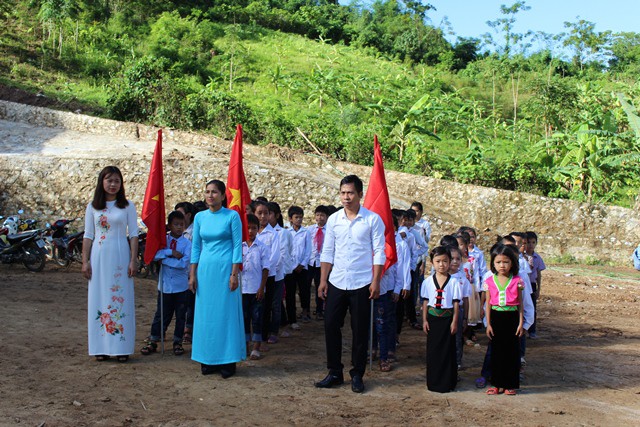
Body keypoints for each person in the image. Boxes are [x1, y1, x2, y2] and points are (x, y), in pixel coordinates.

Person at [315, 175, 386, 394]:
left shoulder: (373, 220)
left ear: (360, 194)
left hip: (362, 282)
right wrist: (323, 280)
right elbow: (327, 251)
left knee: (360, 330)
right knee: (330, 325)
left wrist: (375, 281)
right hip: (337, 281)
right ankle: (335, 371)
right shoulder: (334, 219)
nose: (346, 197)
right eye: (343, 193)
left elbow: (379, 252)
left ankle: (357, 374)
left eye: (351, 193)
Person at [82, 166, 139, 363]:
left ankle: (121, 347)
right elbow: (89, 235)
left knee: (120, 298)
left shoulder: (127, 206)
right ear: (102, 182)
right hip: (98, 258)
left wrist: (133, 259)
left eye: (116, 181)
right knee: (99, 298)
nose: (113, 184)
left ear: (121, 183)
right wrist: (85, 261)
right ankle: (101, 347)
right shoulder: (93, 207)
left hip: (120, 258)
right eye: (109, 180)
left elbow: (133, 235)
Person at [189, 179, 244, 379]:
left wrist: (234, 273)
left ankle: (228, 360)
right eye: (207, 191)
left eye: (214, 192)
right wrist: (192, 274)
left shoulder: (232, 216)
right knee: (206, 316)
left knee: (226, 315)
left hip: (225, 271)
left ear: (222, 195)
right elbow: (196, 247)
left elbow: (238, 246)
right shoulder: (199, 218)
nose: (210, 195)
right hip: (205, 272)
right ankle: (207, 358)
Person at [140, 210, 191, 357]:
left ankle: (177, 341)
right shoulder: (163, 241)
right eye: (176, 224)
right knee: (161, 315)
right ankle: (154, 339)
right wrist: (170, 253)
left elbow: (184, 263)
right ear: (169, 225)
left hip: (181, 286)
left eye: (182, 225)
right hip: (165, 286)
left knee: (181, 315)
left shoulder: (187, 243)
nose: (179, 227)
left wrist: (165, 261)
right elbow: (153, 255)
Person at [484, 243, 525, 396]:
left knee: (512, 352)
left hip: (512, 317)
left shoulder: (517, 281)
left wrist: (521, 323)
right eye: (498, 262)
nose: (502, 265)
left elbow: (520, 304)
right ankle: (496, 384)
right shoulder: (489, 281)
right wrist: (488, 324)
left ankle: (510, 384)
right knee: (496, 351)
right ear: (493, 263)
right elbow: (488, 304)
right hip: (496, 317)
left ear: (512, 263)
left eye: (506, 262)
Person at [421, 246, 461, 393]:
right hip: (433, 319)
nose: (442, 264)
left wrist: (455, 321)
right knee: (433, 351)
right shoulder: (427, 282)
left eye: (445, 261)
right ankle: (433, 382)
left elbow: (456, 303)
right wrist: (424, 320)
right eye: (438, 261)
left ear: (450, 262)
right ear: (432, 262)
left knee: (447, 351)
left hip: (447, 319)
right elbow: (425, 302)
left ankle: (448, 382)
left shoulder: (454, 282)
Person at [241, 214, 269, 360]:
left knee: (257, 318)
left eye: (253, 228)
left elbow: (266, 268)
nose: (250, 231)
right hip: (242, 289)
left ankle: (256, 346)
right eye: (248, 228)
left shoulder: (262, 247)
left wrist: (261, 287)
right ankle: (245, 344)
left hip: (256, 289)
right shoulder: (239, 246)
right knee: (244, 318)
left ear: (258, 230)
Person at [253, 200, 279, 351]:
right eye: (259, 213)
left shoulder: (273, 234)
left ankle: (264, 336)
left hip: (268, 275)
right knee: (255, 307)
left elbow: (274, 256)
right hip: (253, 276)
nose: (263, 216)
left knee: (267, 306)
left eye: (266, 213)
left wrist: (263, 269)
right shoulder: (250, 231)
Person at [285, 206, 311, 332]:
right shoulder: (287, 233)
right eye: (296, 217)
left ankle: (305, 311)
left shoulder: (306, 232)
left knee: (304, 290)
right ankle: (292, 318)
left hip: (302, 267)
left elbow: (308, 250)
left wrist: (302, 264)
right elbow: (287, 251)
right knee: (290, 293)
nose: (299, 220)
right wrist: (291, 265)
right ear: (290, 219)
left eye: (301, 217)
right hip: (290, 268)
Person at [175, 201, 196, 344]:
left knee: (190, 303)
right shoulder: (176, 231)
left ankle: (188, 328)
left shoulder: (194, 231)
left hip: (191, 272)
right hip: (178, 273)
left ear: (188, 215)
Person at [307, 205, 329, 321]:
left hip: (322, 263)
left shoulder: (329, 231)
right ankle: (307, 311)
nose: (320, 218)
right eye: (318, 215)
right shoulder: (310, 230)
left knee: (320, 287)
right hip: (311, 262)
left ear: (327, 217)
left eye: (322, 215)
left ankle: (320, 309)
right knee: (306, 287)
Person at [525, 231, 546, 339]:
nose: (531, 245)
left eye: (533, 242)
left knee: (532, 308)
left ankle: (532, 330)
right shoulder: (520, 257)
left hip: (532, 286)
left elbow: (538, 274)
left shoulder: (537, 258)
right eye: (528, 242)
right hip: (523, 286)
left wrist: (538, 289)